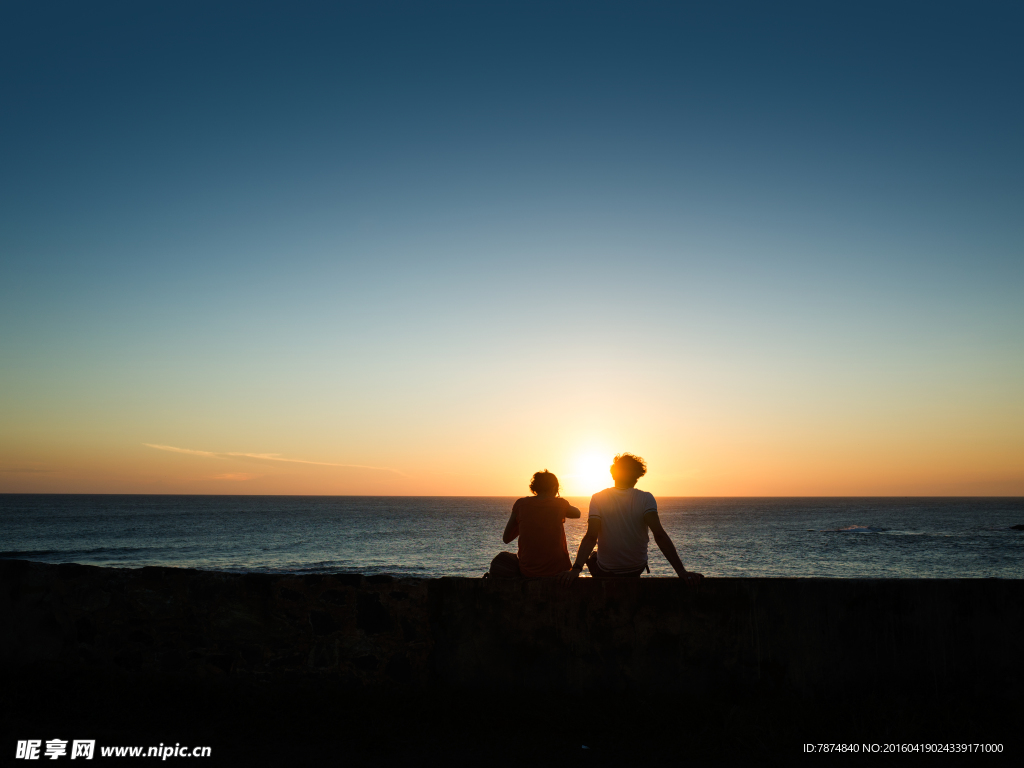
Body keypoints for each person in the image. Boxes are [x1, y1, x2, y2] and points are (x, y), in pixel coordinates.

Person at [559, 453, 703, 585]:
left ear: (613, 474)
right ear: (637, 476)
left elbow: (591, 537)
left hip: (606, 569)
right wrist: (681, 572)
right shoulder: (646, 498)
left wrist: (576, 570)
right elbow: (659, 535)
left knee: (593, 556)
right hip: (636, 568)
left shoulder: (598, 498)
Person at [491, 470, 582, 577]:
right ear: (554, 488)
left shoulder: (521, 505)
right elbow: (577, 513)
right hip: (558, 571)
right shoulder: (560, 504)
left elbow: (506, 538)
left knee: (503, 559)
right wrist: (558, 502)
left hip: (528, 572)